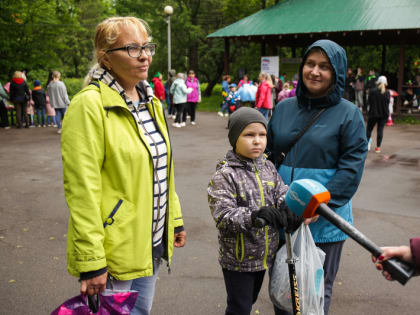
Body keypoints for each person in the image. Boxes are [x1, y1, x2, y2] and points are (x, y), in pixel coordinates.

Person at [61, 16, 186, 315]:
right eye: (132, 48)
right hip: (114, 251)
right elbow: (82, 190)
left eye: (146, 46)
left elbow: (159, 168)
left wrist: (175, 219)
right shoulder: (89, 105)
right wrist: (92, 261)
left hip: (150, 241)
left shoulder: (150, 101)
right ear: (105, 58)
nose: (145, 55)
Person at [267, 39, 368, 315]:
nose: (315, 71)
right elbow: (268, 158)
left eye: (324, 66)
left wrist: (318, 207)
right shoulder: (284, 108)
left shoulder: (349, 115)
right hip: (285, 217)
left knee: (313, 295)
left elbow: (350, 169)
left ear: (336, 72)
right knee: (283, 289)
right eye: (310, 64)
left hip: (325, 222)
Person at [207, 107, 302, 315]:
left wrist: (288, 207)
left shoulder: (268, 166)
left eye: (262, 135)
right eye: (249, 135)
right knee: (240, 307)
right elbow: (223, 216)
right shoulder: (225, 175)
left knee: (259, 300)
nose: (257, 141)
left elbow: (281, 191)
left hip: (266, 254)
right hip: (239, 259)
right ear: (234, 138)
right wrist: (254, 216)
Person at [366, 76, 390, 153]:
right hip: (383, 114)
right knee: (380, 130)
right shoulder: (387, 92)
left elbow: (369, 102)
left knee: (369, 129)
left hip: (373, 113)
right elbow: (387, 104)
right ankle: (378, 148)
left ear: (378, 82)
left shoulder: (372, 91)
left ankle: (366, 145)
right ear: (385, 83)